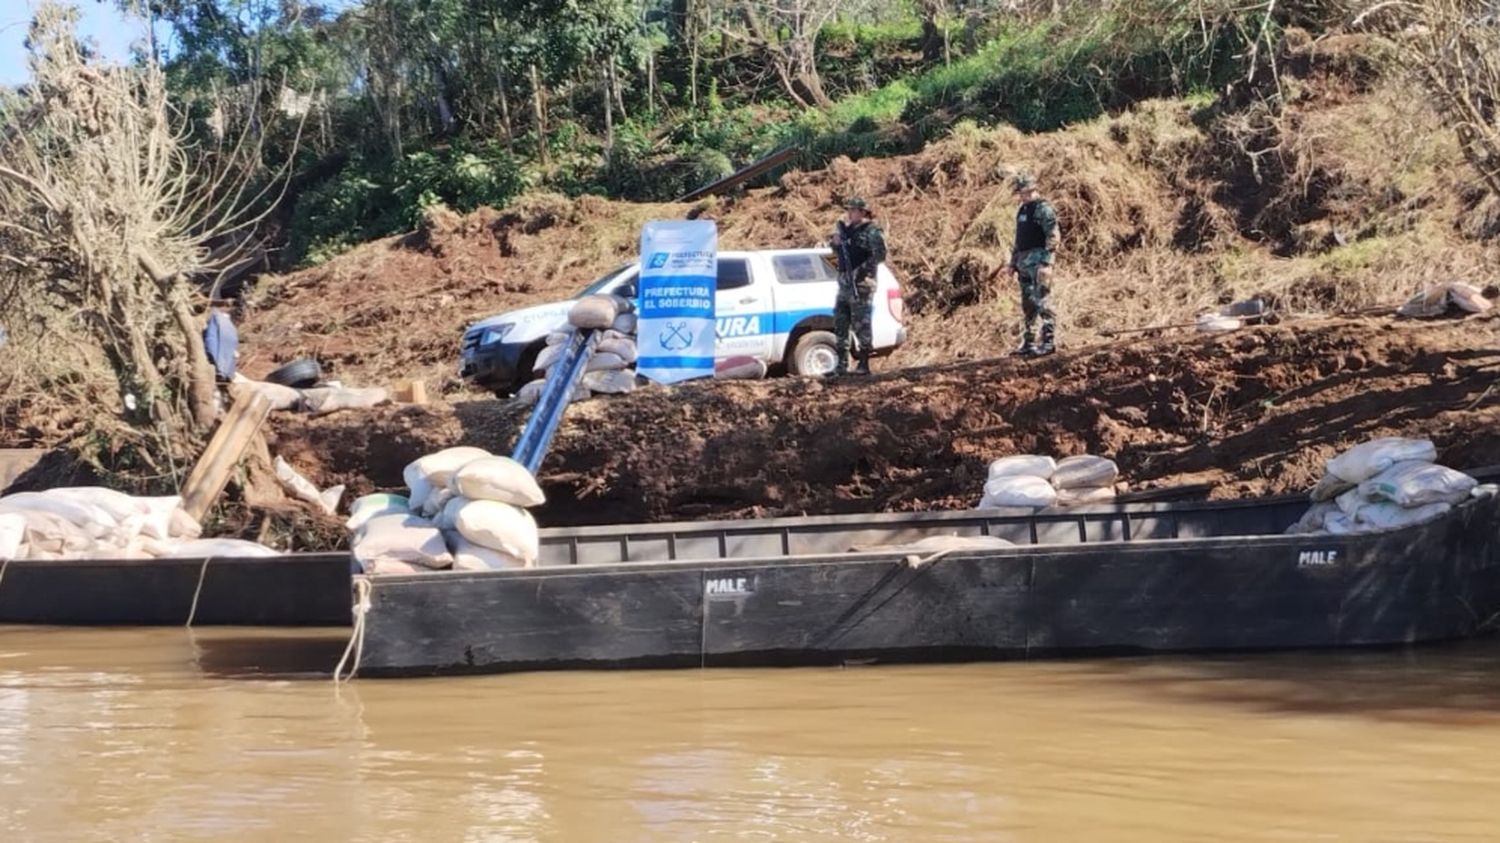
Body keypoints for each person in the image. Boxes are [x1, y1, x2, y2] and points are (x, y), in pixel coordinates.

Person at [829, 197, 886, 377]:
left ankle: (863, 362)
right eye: (849, 210)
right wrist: (836, 244)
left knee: (861, 324)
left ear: (862, 212)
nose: (850, 213)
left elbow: (879, 255)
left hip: (861, 284)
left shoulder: (871, 231)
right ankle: (841, 365)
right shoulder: (846, 231)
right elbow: (839, 253)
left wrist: (860, 271)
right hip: (845, 284)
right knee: (840, 321)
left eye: (854, 210)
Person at [1008, 173, 1061, 357]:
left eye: (1027, 192)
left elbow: (1053, 237)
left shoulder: (1044, 209)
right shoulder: (1023, 210)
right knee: (1028, 304)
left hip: (1039, 262)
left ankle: (1048, 341)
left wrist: (1047, 262)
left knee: (1043, 301)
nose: (1024, 196)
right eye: (1022, 193)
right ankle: (1029, 342)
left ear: (1034, 190)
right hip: (1024, 263)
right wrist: (1013, 263)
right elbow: (1019, 240)